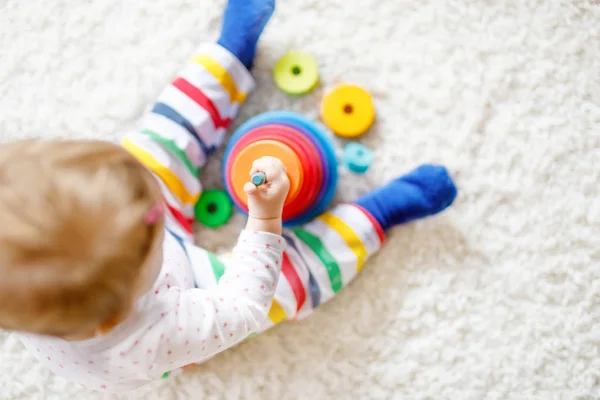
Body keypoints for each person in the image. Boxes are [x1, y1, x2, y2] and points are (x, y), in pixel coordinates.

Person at [0, 0, 457, 392]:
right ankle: (377, 216)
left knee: (158, 142)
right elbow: (244, 306)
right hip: (198, 288)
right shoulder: (153, 337)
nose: (158, 207)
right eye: (154, 225)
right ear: (114, 312)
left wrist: (133, 181)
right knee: (290, 284)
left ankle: (229, 57)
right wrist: (264, 218)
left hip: (123, 255)